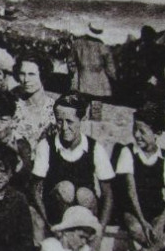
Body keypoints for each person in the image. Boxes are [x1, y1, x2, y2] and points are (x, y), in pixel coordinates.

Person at [114, 106, 165, 251]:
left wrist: (160, 223)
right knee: (137, 229)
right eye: (135, 130)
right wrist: (142, 221)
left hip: (156, 210)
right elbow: (131, 193)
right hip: (132, 210)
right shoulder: (128, 152)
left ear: (156, 133)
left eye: (142, 131)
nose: (137, 135)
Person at [31, 91, 115, 230]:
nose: (64, 128)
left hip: (84, 211)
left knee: (84, 194)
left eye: (70, 122)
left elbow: (108, 195)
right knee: (66, 188)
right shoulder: (46, 145)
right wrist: (47, 223)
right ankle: (63, 230)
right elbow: (35, 190)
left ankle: (87, 232)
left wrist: (101, 229)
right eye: (59, 121)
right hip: (55, 214)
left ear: (81, 120)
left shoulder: (95, 148)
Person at [13, 55, 57, 144]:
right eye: (22, 74)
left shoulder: (55, 108)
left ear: (43, 75)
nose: (26, 80)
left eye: (31, 74)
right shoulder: (12, 106)